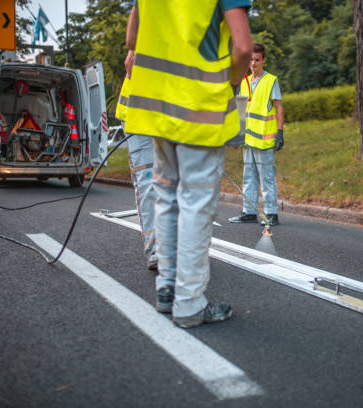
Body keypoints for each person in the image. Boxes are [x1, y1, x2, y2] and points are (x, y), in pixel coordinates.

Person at [124, 1, 252, 328]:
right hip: (199, 104)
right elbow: (243, 47)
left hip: (157, 104)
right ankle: (190, 303)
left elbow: (131, 39)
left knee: (165, 197)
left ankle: (166, 290)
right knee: (196, 203)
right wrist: (232, 83)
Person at [228, 43, 284, 227]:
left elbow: (279, 108)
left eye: (257, 60)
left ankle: (271, 214)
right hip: (248, 139)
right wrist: (237, 132)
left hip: (265, 139)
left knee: (267, 177)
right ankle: (249, 211)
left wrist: (280, 132)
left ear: (263, 60)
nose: (253, 63)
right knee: (248, 177)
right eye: (251, 59)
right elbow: (241, 109)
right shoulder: (244, 81)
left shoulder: (271, 81)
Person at [115, 76, 157, 271]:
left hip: (169, 116)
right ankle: (156, 249)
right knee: (149, 182)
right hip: (138, 116)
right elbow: (131, 62)